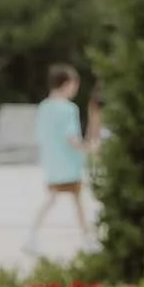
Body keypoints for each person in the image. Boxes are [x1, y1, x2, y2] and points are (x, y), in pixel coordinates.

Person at [22, 65, 95, 259]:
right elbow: (71, 137)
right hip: (70, 165)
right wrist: (88, 147)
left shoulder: (44, 107)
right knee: (77, 201)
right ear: (66, 84)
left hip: (53, 165)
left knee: (53, 199)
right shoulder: (69, 109)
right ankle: (88, 239)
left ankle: (32, 235)